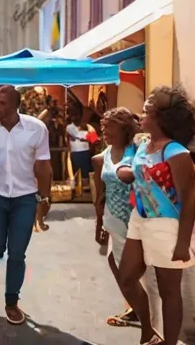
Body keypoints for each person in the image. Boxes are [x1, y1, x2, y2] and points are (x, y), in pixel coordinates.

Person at [117, 86, 195, 345]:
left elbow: (190, 198)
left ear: (162, 117)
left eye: (148, 109)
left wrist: (184, 242)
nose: (142, 111)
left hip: (167, 225)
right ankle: (149, 330)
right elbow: (137, 175)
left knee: (169, 291)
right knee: (126, 277)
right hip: (139, 220)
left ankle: (169, 342)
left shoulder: (176, 152)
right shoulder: (143, 145)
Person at [0, 86, 51, 325]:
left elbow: (43, 166)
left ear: (16, 105)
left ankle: (11, 302)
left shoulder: (36, 129)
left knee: (17, 253)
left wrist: (44, 199)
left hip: (24, 198)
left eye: (2, 103)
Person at [91, 107, 139, 328]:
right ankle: (135, 307)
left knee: (136, 270)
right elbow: (101, 195)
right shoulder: (104, 155)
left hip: (135, 219)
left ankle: (146, 316)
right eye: (103, 126)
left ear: (123, 128)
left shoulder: (137, 151)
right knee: (115, 263)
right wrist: (99, 224)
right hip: (113, 218)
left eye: (109, 126)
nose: (104, 131)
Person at [67, 112, 94, 179]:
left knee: (85, 174)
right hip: (75, 153)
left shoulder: (88, 127)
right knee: (76, 174)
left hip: (85, 153)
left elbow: (94, 139)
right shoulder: (70, 127)